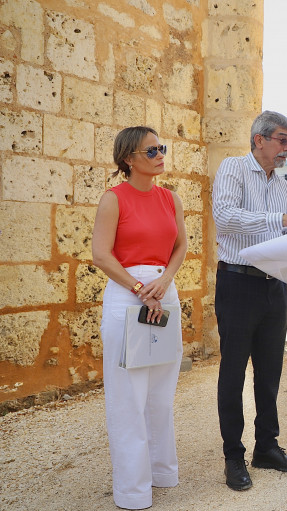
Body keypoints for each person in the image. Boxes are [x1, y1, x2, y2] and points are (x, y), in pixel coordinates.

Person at [212, 110, 287, 491]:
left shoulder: (283, 186)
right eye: (282, 140)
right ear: (259, 140)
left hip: (274, 287)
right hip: (238, 283)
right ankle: (233, 456)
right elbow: (225, 218)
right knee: (233, 373)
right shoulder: (234, 169)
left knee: (270, 372)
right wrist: (283, 221)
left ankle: (267, 447)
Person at [92, 126, 187, 509]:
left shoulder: (171, 198)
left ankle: (162, 473)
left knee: (161, 394)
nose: (160, 154)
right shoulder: (113, 199)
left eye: (161, 148)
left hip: (165, 294)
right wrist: (139, 288)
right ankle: (133, 492)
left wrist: (164, 280)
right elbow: (101, 255)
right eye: (151, 151)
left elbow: (180, 246)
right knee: (128, 397)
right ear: (128, 159)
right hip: (127, 297)